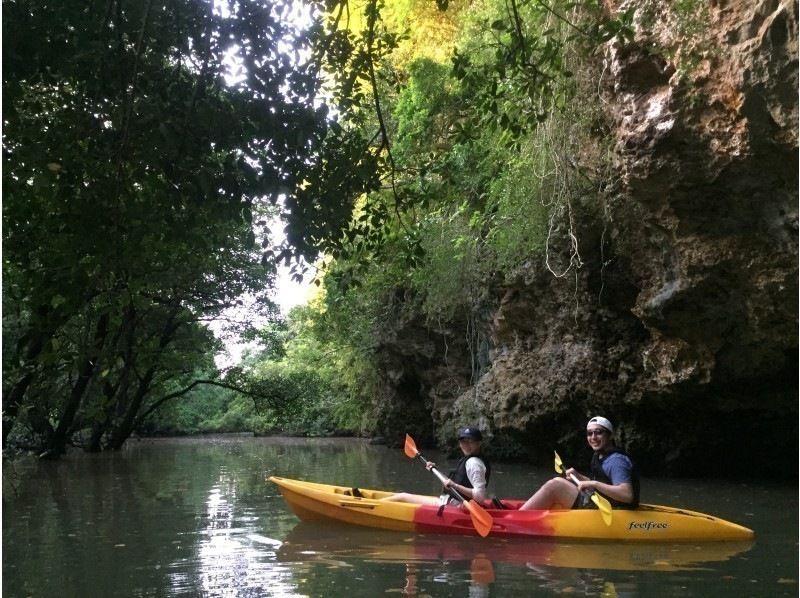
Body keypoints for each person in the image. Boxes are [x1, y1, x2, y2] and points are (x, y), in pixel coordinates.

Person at [519, 416, 639, 510]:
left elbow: (627, 496)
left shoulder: (616, 461)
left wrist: (594, 484)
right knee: (562, 482)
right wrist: (579, 477)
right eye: (589, 433)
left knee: (555, 486)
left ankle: (518, 519)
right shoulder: (599, 456)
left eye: (598, 432)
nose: (593, 437)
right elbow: (605, 483)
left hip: (615, 510)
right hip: (603, 501)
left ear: (610, 435)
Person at [382, 426, 490, 505]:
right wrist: (435, 469)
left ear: (479, 443)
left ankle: (370, 505)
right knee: (401, 496)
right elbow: (457, 480)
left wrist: (454, 485)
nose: (466, 445)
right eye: (463, 442)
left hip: (456, 507)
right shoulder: (470, 460)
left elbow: (479, 497)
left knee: (402, 496)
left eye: (470, 442)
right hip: (455, 502)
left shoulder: (474, 463)